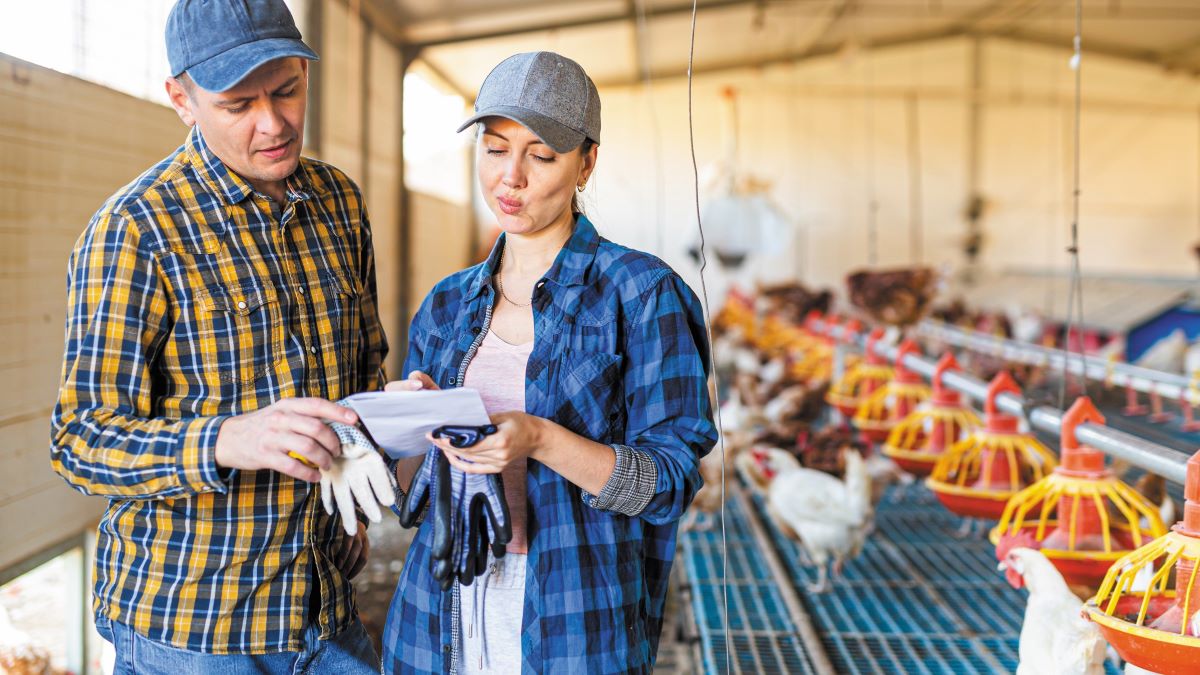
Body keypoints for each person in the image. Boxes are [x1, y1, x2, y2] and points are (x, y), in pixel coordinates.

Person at [49, 1, 391, 672]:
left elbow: (364, 368)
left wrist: (371, 447)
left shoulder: (339, 204)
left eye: (288, 89)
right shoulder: (136, 230)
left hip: (326, 607)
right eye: (238, 105)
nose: (274, 123)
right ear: (182, 99)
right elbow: (79, 438)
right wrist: (227, 439)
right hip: (194, 632)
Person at [382, 51, 717, 674]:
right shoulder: (448, 304)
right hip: (443, 613)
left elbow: (668, 482)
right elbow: (415, 495)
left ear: (586, 161)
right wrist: (411, 426)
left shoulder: (640, 293)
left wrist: (537, 438)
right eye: (494, 148)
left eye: (540, 155)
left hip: (574, 619)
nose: (511, 177)